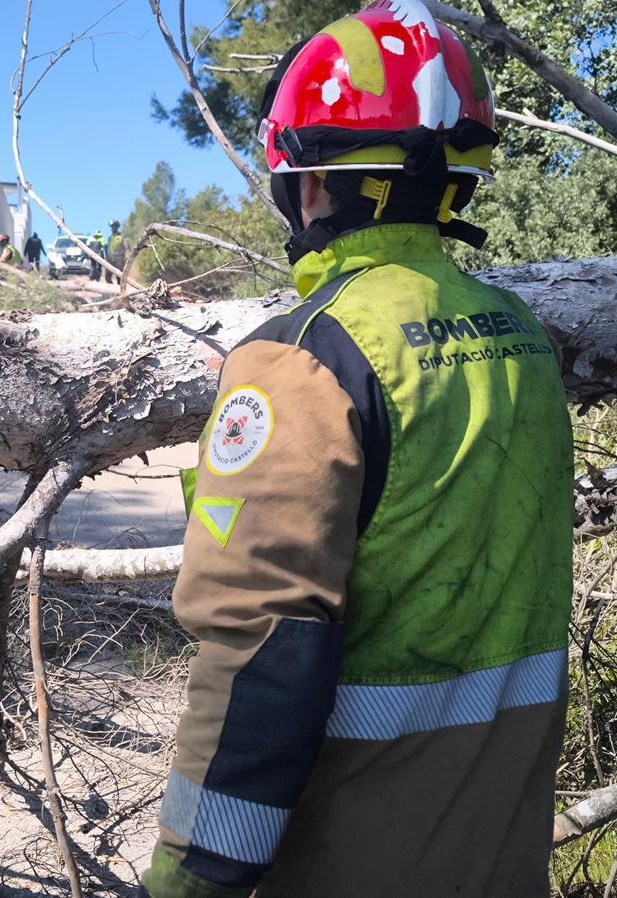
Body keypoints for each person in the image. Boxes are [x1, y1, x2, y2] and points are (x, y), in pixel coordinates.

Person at [142, 3, 572, 897]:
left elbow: (260, 659)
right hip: (502, 857)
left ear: (306, 184)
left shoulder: (303, 362)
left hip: (353, 862)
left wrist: (187, 884)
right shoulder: (523, 340)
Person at [105, 219, 125, 284]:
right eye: (112, 227)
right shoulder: (109, 238)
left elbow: (127, 248)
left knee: (119, 277)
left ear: (117, 227)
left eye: (114, 226)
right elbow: (109, 248)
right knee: (107, 276)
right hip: (110, 258)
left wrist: (126, 258)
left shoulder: (121, 237)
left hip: (119, 259)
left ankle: (121, 291)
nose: (112, 228)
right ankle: (110, 291)